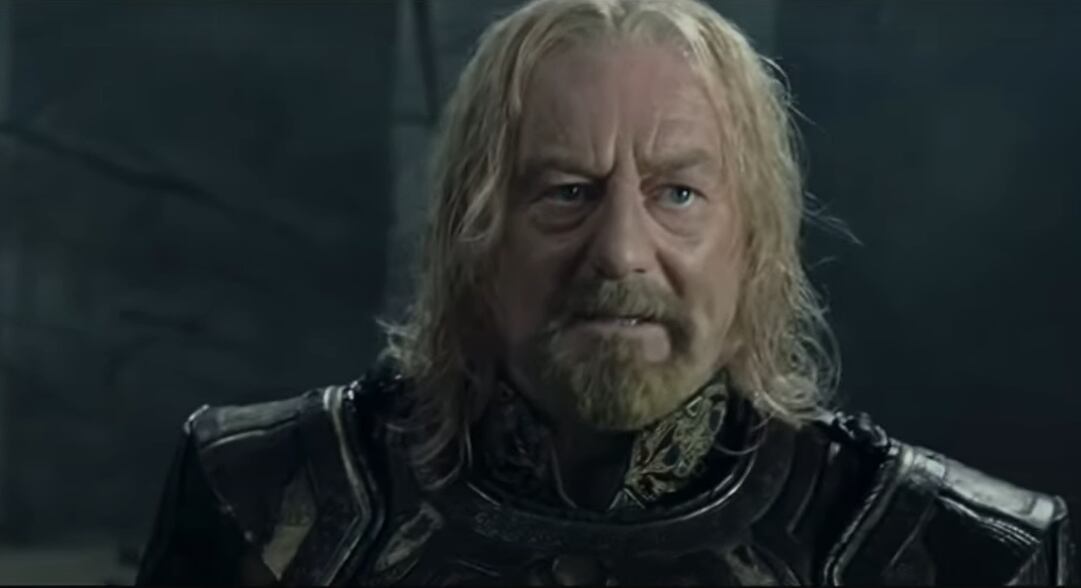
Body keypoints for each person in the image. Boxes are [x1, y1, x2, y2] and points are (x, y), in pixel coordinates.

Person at [135, 0, 1077, 584]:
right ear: (473, 236)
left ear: (753, 243)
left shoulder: (957, 552)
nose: (620, 252)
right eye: (566, 192)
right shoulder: (260, 499)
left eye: (677, 194)